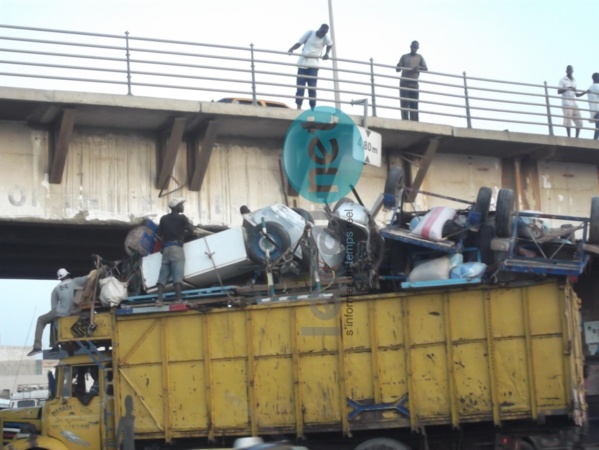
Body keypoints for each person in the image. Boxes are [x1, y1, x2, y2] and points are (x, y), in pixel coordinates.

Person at [27, 268, 90, 357]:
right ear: (68, 275)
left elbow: (54, 307)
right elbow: (90, 276)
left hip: (60, 313)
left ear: (59, 278)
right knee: (54, 320)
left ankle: (39, 347)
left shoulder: (56, 289)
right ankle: (55, 347)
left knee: (41, 320)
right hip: (76, 312)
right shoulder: (75, 282)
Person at [155, 198, 195, 304]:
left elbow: (157, 235)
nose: (183, 207)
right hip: (177, 248)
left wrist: (164, 243)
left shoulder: (163, 219)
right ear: (176, 207)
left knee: (163, 273)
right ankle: (178, 299)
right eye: (181, 205)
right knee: (177, 273)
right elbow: (192, 231)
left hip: (166, 248)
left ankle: (159, 299)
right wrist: (183, 234)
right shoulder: (182, 218)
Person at [288, 24, 333, 110]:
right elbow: (299, 43)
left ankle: (312, 108)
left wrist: (327, 53)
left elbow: (330, 44)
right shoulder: (310, 33)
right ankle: (299, 107)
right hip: (303, 64)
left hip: (313, 66)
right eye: (321, 32)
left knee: (312, 89)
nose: (322, 34)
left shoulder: (325, 38)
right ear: (319, 29)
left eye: (324, 33)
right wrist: (291, 49)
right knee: (300, 88)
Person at [396, 41, 428, 121]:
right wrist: (399, 65)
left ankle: (414, 121)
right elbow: (397, 69)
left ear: (417, 48)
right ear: (410, 46)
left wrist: (418, 68)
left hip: (414, 83)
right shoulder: (404, 56)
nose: (414, 48)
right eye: (413, 47)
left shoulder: (419, 57)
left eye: (415, 47)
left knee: (414, 104)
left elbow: (425, 68)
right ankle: (405, 119)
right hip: (404, 82)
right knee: (404, 103)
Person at [557, 65, 586, 138]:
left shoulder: (574, 81)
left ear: (572, 71)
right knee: (568, 121)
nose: (569, 71)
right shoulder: (562, 80)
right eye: (568, 70)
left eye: (571, 70)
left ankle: (577, 137)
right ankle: (569, 136)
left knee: (579, 122)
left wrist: (585, 92)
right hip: (566, 102)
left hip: (573, 102)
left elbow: (577, 94)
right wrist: (567, 88)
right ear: (566, 71)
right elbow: (559, 91)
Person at [587, 72, 599, 140]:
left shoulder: (592, 87)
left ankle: (595, 139)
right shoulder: (595, 86)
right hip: (597, 109)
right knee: (598, 126)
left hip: (595, 109)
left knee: (598, 126)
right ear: (594, 78)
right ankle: (595, 140)